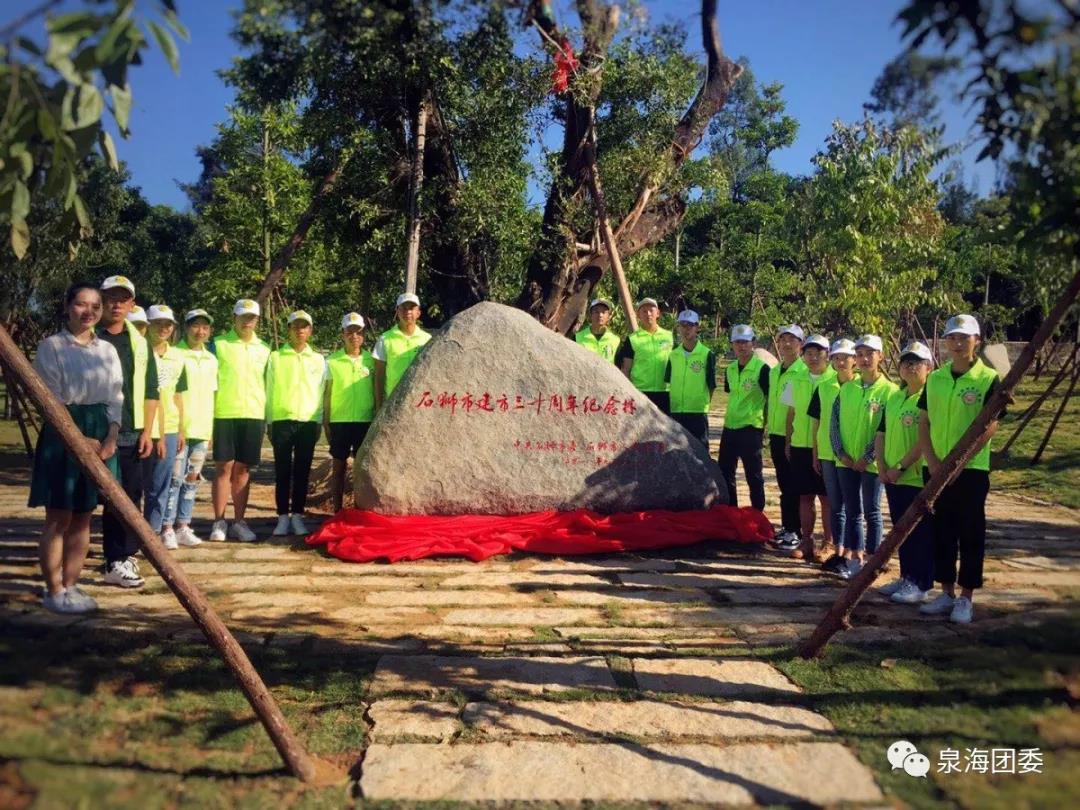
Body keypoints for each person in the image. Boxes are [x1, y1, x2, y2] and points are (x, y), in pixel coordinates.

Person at [29, 283, 123, 613]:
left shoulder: (107, 351)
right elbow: (49, 399)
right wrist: (78, 438)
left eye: (95, 306)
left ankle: (71, 584)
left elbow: (116, 396)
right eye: (82, 304)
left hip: (100, 429)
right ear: (68, 306)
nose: (89, 312)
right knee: (59, 516)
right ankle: (54, 590)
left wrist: (111, 436)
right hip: (62, 431)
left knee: (84, 516)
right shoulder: (51, 347)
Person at [918, 314, 1003, 624]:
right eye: (952, 337)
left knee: (970, 533)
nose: (957, 343)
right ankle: (946, 592)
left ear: (976, 341)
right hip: (935, 468)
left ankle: (966, 597)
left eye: (964, 338)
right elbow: (924, 421)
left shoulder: (987, 379)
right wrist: (933, 461)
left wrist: (960, 462)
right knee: (941, 531)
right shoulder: (936, 378)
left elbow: (990, 425)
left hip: (971, 470)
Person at [96, 275, 159, 589]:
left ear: (132, 304)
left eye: (123, 299)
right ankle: (111, 557)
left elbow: (151, 390)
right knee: (104, 497)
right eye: (111, 298)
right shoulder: (90, 337)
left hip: (132, 430)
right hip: (95, 430)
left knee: (131, 495)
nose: (117, 304)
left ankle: (122, 555)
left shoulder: (140, 343)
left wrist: (147, 431)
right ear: (101, 300)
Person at [830, 334, 898, 580]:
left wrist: (868, 457)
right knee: (852, 510)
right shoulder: (848, 388)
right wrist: (840, 452)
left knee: (872, 511)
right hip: (846, 461)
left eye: (870, 354)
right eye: (860, 354)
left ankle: (873, 559)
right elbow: (834, 423)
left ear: (881, 356)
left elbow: (885, 428)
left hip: (873, 464)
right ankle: (855, 557)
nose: (865, 359)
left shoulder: (890, 391)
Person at [875, 341, 934, 605]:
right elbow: (881, 433)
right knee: (901, 530)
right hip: (891, 476)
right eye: (906, 362)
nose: (910, 367)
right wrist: (882, 466)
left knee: (919, 532)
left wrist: (900, 467)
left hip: (914, 476)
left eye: (916, 363)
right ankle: (906, 575)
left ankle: (921, 583)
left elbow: (924, 440)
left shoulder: (929, 397)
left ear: (928, 368)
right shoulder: (895, 397)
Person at [210, 299, 271, 542]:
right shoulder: (218, 344)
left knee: (243, 469)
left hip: (253, 413)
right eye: (243, 317)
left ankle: (239, 522)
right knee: (224, 467)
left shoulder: (265, 349)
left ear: (257, 320)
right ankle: (219, 521)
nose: (247, 321)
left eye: (252, 318)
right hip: (224, 412)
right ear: (234, 317)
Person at [266, 310, 327, 537]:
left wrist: (318, 420)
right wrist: (270, 421)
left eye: (304, 326)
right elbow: (269, 390)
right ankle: (282, 516)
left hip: (308, 422)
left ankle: (298, 515)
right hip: (282, 420)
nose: (300, 330)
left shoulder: (318, 359)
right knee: (282, 471)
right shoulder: (276, 357)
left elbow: (320, 392)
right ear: (289, 330)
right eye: (296, 326)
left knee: (302, 471)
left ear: (310, 331)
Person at [161, 309, 218, 549]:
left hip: (202, 429)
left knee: (192, 479)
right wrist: (179, 427)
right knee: (174, 479)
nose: (200, 331)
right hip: (179, 428)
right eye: (195, 326)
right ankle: (166, 527)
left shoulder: (211, 359)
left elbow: (212, 395)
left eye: (205, 327)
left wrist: (210, 429)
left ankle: (183, 525)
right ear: (185, 328)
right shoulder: (175, 354)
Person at [781, 334, 836, 560]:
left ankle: (829, 542)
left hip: (825, 448)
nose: (813, 358)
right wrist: (788, 441)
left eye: (818, 353)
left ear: (827, 355)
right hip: (800, 446)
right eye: (809, 353)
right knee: (804, 496)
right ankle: (807, 541)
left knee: (826, 498)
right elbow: (791, 413)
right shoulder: (796, 379)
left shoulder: (835, 381)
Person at [809, 338, 856, 573]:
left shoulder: (859, 388)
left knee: (852, 507)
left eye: (845, 357)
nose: (840, 362)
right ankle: (838, 551)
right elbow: (816, 423)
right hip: (828, 453)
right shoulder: (824, 387)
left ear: (854, 360)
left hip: (850, 456)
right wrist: (816, 452)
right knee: (835, 505)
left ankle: (852, 553)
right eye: (836, 357)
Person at [142, 305, 187, 545]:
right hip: (140, 425)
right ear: (147, 325)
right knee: (135, 484)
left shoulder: (178, 357)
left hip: (168, 427)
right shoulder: (138, 351)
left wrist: (180, 429)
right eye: (157, 323)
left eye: (167, 324)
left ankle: (152, 533)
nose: (163, 328)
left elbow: (178, 395)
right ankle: (132, 532)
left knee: (160, 485)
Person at [324, 312, 376, 513]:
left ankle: (359, 510)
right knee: (338, 467)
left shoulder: (371, 360)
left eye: (358, 332)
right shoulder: (332, 361)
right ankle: (337, 511)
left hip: (365, 420)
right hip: (340, 421)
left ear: (363, 335)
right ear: (342, 334)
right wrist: (326, 421)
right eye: (349, 332)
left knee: (362, 470)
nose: (354, 336)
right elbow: (327, 394)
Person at [717, 324, 768, 510]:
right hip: (730, 427)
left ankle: (757, 514)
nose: (741, 346)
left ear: (753, 343)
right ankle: (732, 512)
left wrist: (766, 426)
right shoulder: (730, 369)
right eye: (737, 342)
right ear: (732, 344)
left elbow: (769, 399)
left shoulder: (762, 369)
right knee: (725, 472)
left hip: (751, 428)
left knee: (753, 475)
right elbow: (731, 394)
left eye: (745, 342)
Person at [765, 324, 807, 546]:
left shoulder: (803, 372)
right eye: (783, 339)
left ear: (801, 344)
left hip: (794, 436)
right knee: (783, 483)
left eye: (792, 340)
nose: (787, 344)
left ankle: (796, 531)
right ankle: (788, 526)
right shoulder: (774, 371)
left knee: (794, 485)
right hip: (776, 434)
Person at [664, 310, 716, 448]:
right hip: (676, 410)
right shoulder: (673, 355)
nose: (686, 329)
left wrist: (701, 403)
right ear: (678, 328)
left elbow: (711, 385)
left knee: (700, 449)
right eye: (683, 325)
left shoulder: (707, 354)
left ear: (697, 327)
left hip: (697, 412)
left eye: (690, 325)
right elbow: (668, 381)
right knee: (677, 449)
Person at [373, 293, 431, 410]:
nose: (407, 311)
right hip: (393, 404)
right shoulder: (385, 339)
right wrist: (379, 407)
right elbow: (379, 376)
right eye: (403, 308)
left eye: (411, 308)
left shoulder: (427, 339)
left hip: (420, 404)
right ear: (397, 311)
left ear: (418, 313)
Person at [616, 297, 673, 413]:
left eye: (651, 310)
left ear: (658, 313)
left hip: (665, 392)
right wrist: (628, 392)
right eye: (644, 311)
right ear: (638, 315)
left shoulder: (669, 336)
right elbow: (626, 369)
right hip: (640, 392)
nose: (648, 314)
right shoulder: (632, 339)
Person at [576, 298, 620, 363]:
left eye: (604, 312)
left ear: (609, 316)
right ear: (590, 314)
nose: (600, 315)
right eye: (596, 312)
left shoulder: (616, 341)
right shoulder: (578, 337)